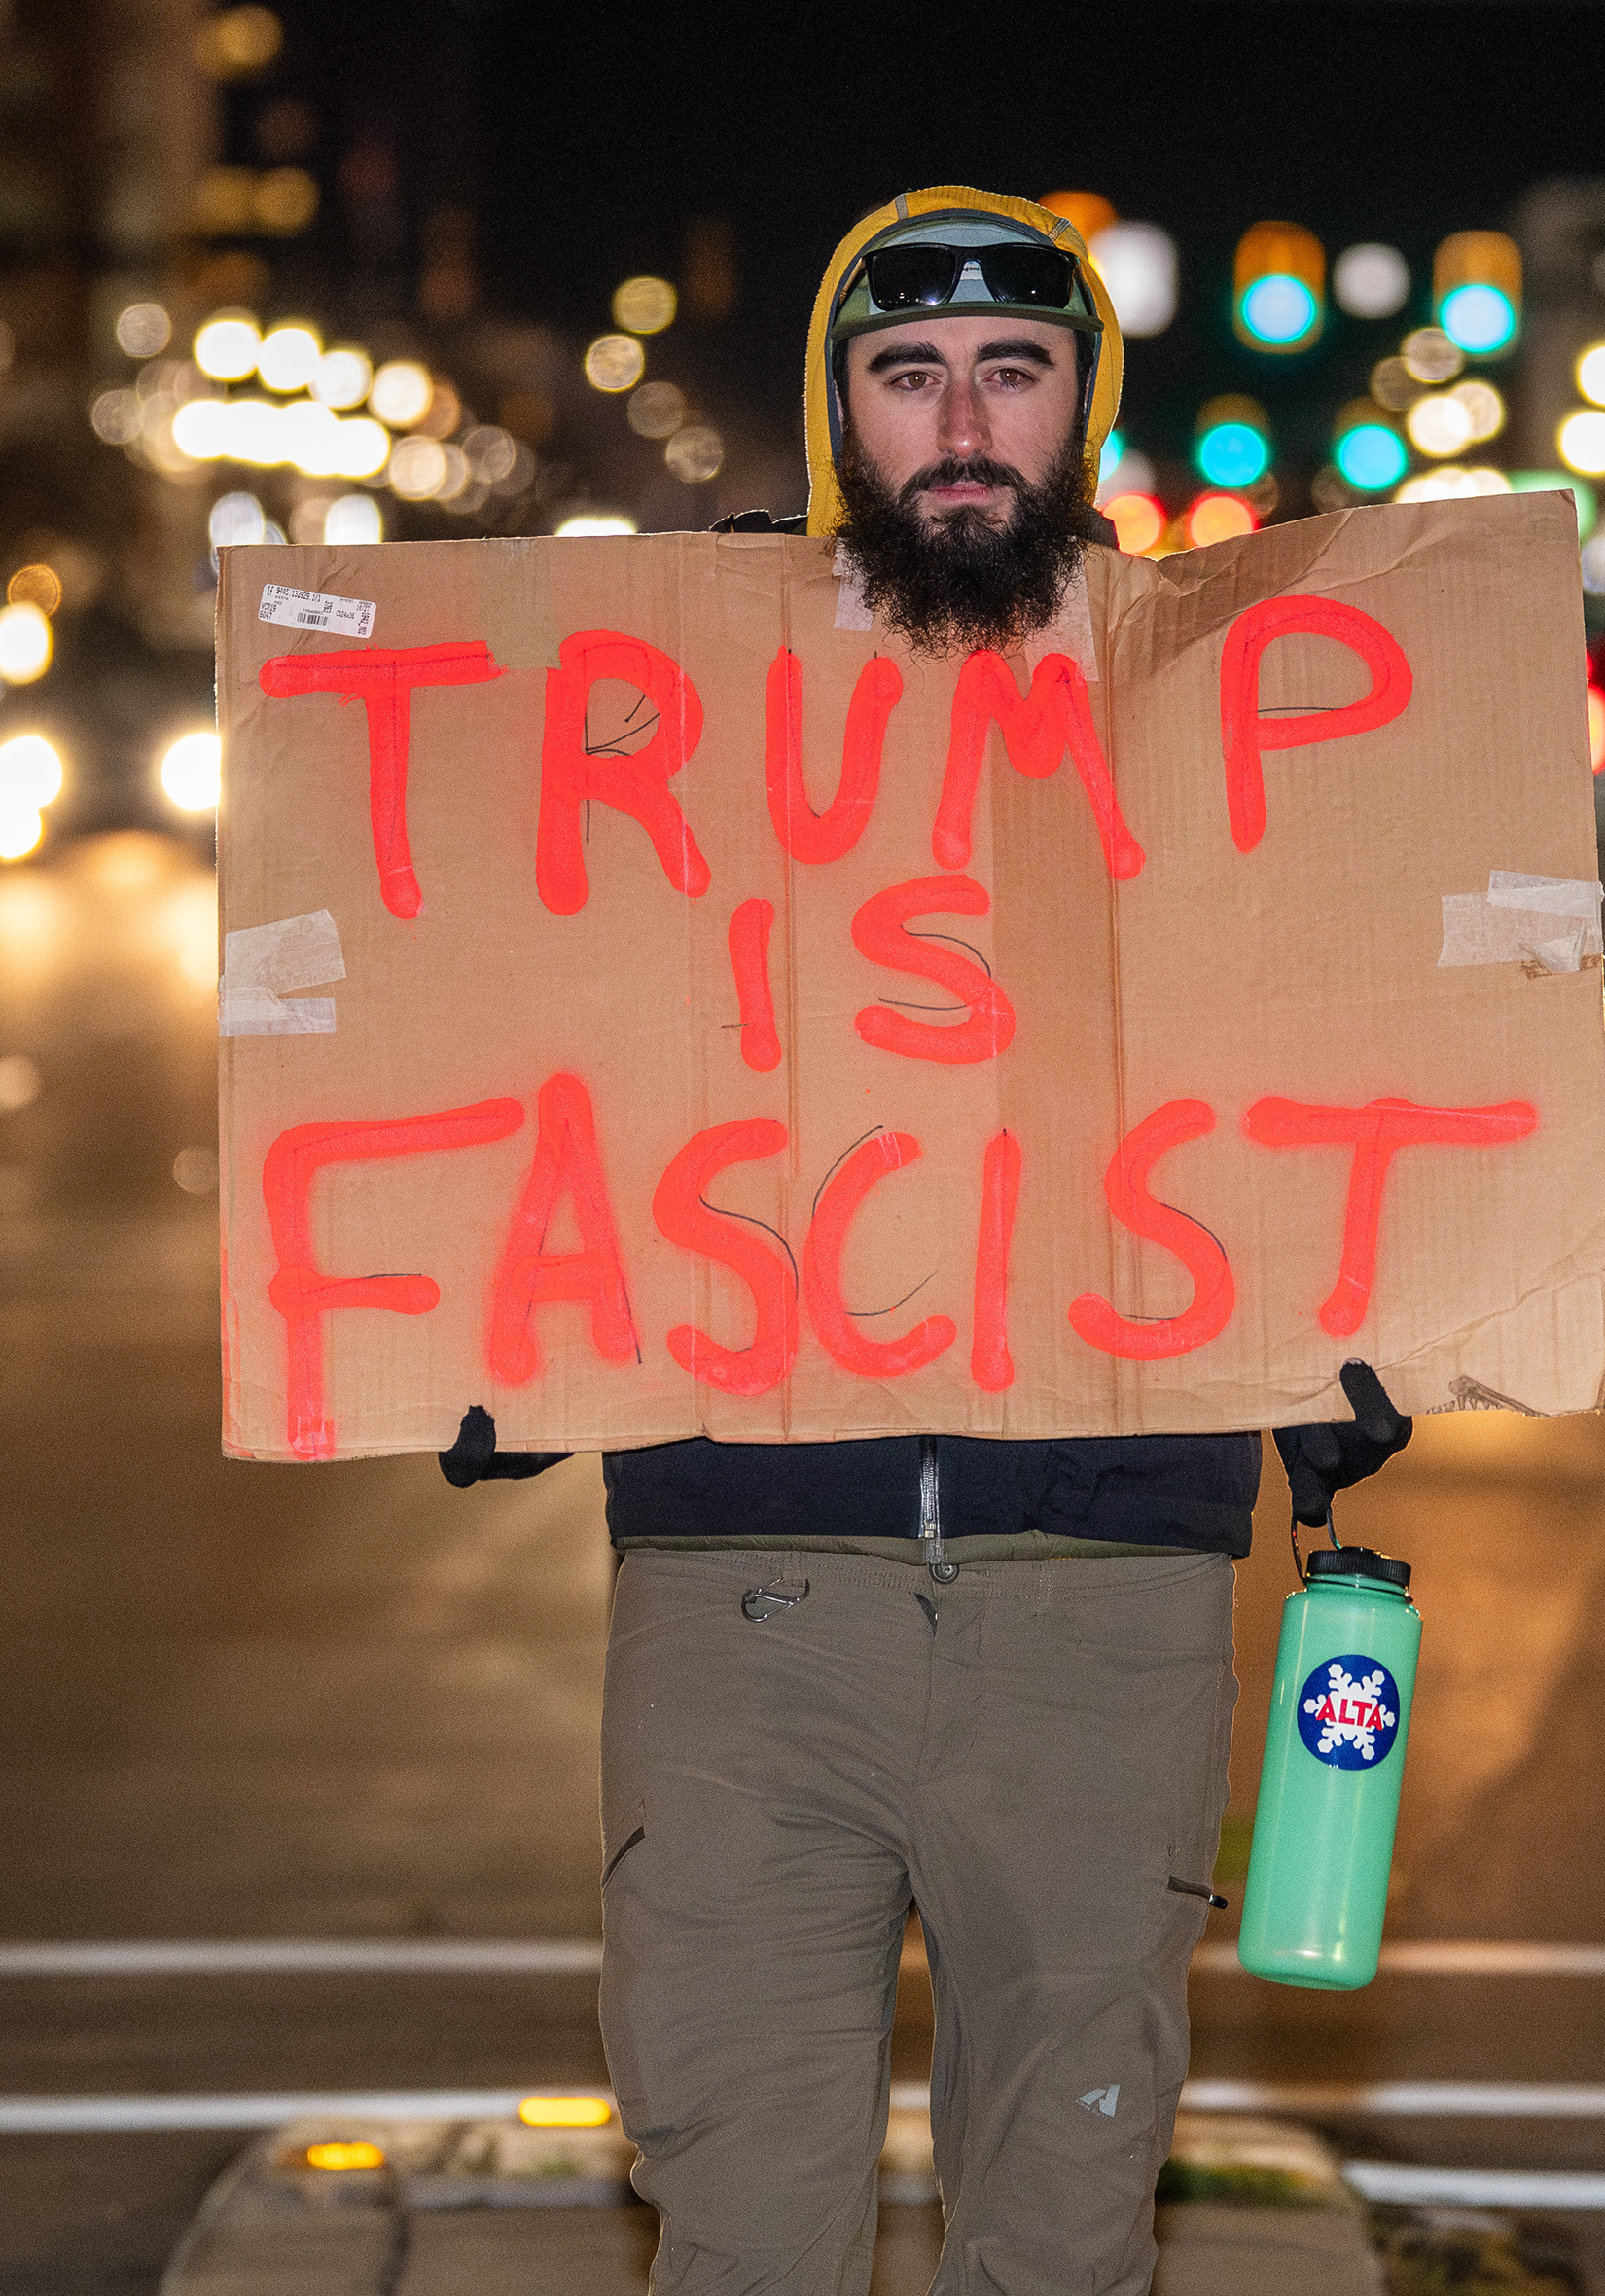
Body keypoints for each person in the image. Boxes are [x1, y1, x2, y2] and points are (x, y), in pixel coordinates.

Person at [440, 186, 1413, 2296]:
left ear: (1083, 406)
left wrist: (1360, 1328)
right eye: (908, 375)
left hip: (1110, 1605)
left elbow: (1320, 1058)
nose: (960, 421)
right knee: (742, 2228)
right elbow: (548, 1040)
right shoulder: (679, 721)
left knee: (1063, 2235)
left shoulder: (1217, 718)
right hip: (742, 1600)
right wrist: (487, 1306)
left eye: (1013, 371)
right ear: (841, 414)